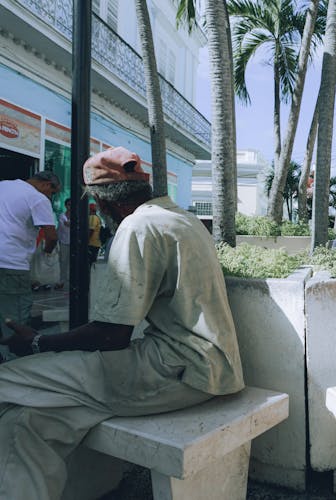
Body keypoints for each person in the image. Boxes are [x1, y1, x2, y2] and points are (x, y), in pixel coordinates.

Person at [0, 147, 244, 499]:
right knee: (26, 424)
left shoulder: (137, 227)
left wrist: (38, 343)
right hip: (208, 367)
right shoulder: (181, 217)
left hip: (177, 370)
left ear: (105, 203)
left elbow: (111, 335)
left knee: (8, 378)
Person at [0, 171, 59, 340]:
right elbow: (51, 236)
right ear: (47, 185)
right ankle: (14, 362)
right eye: (52, 193)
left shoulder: (3, 185)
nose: (51, 197)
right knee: (15, 320)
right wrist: (46, 254)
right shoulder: (37, 198)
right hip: (11, 263)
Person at [56, 198, 71, 290]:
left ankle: (71, 281)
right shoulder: (61, 215)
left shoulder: (77, 214)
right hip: (64, 241)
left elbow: (68, 224)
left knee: (72, 262)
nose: (70, 206)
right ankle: (62, 281)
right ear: (65, 205)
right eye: (68, 204)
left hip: (74, 242)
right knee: (63, 261)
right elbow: (65, 224)